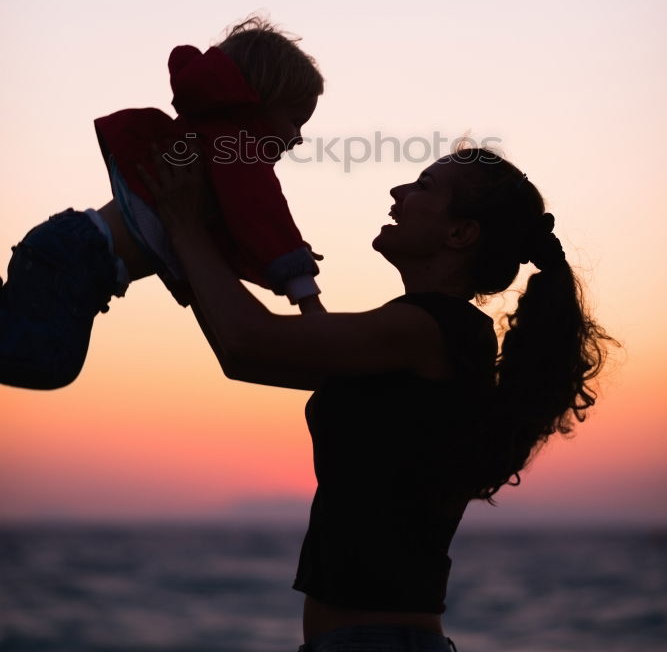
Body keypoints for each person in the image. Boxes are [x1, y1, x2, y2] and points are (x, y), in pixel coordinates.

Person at [139, 144, 616, 652]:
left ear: (460, 233)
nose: (399, 192)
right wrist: (195, 259)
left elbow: (247, 344)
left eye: (425, 186)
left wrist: (185, 229)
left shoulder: (430, 330)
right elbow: (254, 356)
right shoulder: (431, 332)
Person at [0, 18, 324, 391]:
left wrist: (272, 256)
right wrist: (303, 291)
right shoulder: (234, 151)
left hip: (70, 246)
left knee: (32, 347)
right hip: (81, 257)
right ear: (258, 103)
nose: (298, 138)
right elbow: (266, 217)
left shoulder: (208, 147)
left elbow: (231, 237)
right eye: (294, 121)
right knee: (49, 362)